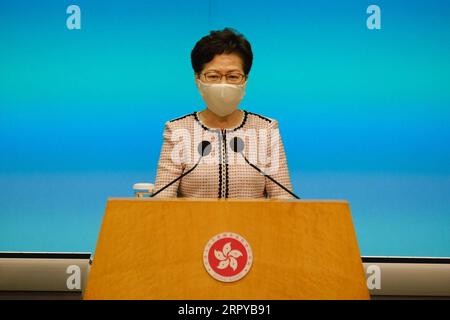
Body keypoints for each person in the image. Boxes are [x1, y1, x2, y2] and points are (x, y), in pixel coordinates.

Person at [154, 28, 294, 198]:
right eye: (213, 76)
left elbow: (283, 197)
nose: (223, 84)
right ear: (197, 79)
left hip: (251, 224)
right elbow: (162, 199)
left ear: (245, 79)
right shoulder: (177, 129)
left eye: (233, 76)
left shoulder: (266, 128)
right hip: (193, 224)